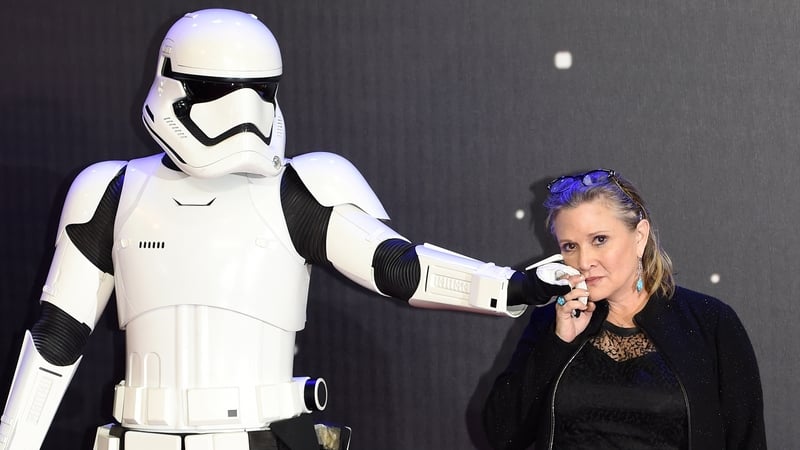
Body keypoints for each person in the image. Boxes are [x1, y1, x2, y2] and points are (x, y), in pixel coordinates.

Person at [0, 9, 570, 450]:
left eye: (259, 91)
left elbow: (397, 267)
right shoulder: (112, 191)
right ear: (174, 85)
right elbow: (56, 337)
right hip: (140, 435)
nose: (243, 113)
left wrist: (513, 287)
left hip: (257, 435)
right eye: (219, 92)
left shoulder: (298, 188)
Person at [482, 169, 766, 449]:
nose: (584, 261)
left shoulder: (710, 321)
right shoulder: (551, 320)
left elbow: (747, 440)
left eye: (599, 240)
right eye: (570, 246)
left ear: (640, 236)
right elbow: (502, 434)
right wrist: (558, 342)